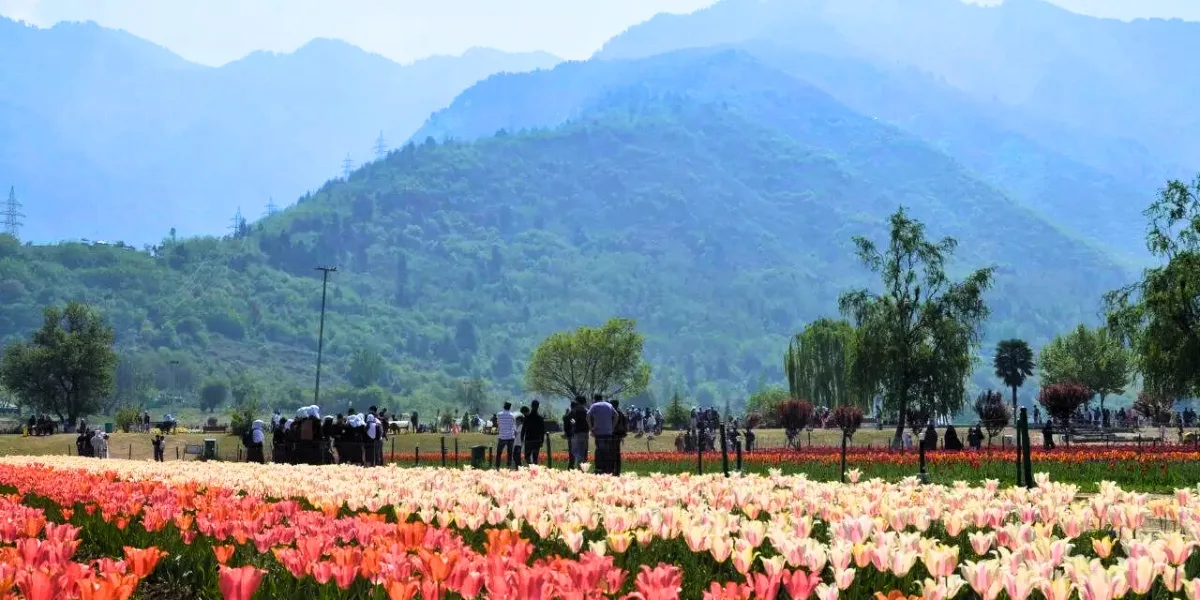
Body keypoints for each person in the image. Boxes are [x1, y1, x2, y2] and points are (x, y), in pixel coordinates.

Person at [587, 394, 617, 475]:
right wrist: (612, 427)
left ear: (595, 399)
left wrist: (591, 428)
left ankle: (599, 469)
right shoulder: (609, 405)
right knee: (608, 450)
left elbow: (588, 415)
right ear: (602, 398)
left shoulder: (594, 406)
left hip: (599, 432)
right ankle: (607, 469)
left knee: (599, 450)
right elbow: (616, 415)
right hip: (608, 432)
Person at [569, 396, 590, 467]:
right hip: (586, 433)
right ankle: (583, 466)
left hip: (577, 433)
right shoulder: (587, 411)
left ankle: (578, 465)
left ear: (578, 402)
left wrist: (573, 424)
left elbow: (572, 421)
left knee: (575, 451)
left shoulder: (575, 411)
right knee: (583, 450)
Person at [523, 400, 546, 465]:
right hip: (537, 440)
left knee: (527, 456)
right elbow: (542, 431)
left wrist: (522, 438)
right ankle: (535, 470)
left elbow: (523, 429)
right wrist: (542, 441)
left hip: (528, 440)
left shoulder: (527, 417)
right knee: (535, 458)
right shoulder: (540, 418)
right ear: (538, 406)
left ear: (531, 406)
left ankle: (530, 466)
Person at [495, 402, 516, 469]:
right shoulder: (512, 415)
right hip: (510, 436)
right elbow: (513, 425)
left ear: (504, 406)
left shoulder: (499, 414)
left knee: (499, 453)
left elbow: (498, 424)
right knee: (510, 453)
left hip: (502, 436)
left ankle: (497, 466)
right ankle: (508, 467)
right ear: (510, 407)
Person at [611, 399, 628, 475]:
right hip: (620, 434)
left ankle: (612, 469)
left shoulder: (612, 413)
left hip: (613, 434)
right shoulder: (621, 413)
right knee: (617, 452)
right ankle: (617, 470)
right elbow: (625, 425)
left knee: (611, 452)